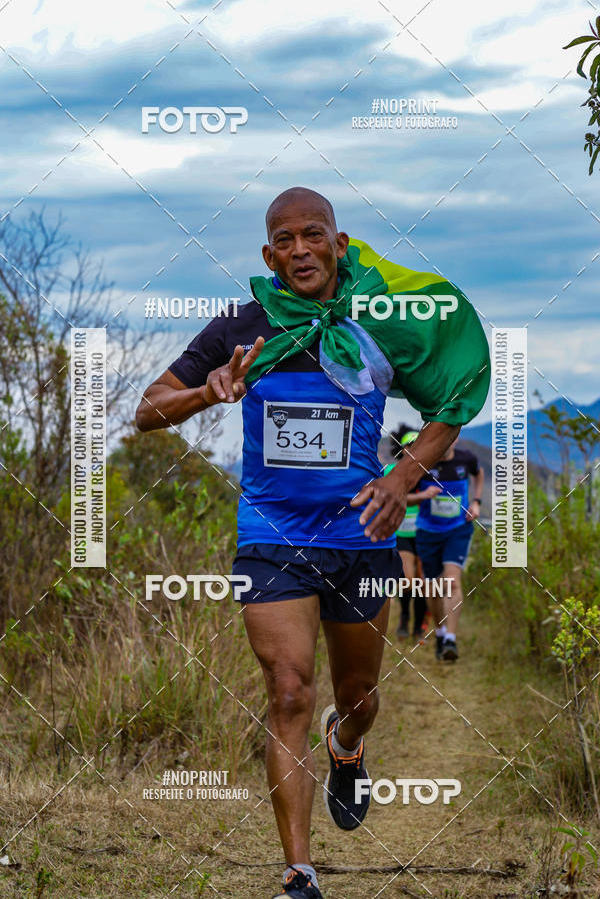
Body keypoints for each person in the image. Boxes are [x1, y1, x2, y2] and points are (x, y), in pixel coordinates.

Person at [135, 186, 490, 898]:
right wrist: (210, 392)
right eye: (285, 241)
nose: (301, 250)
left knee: (358, 695)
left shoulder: (380, 320)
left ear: (338, 241)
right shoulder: (244, 327)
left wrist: (402, 479)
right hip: (271, 535)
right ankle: (299, 872)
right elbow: (149, 410)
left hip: (361, 537)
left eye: (313, 235)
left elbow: (451, 401)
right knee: (289, 691)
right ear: (269, 255)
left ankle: (347, 745)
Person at [414, 439, 484, 662]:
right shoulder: (422, 462)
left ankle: (451, 640)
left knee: (452, 581)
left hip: (458, 529)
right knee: (433, 588)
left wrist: (476, 501)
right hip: (428, 532)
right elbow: (403, 497)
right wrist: (422, 496)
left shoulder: (466, 458)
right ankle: (441, 633)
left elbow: (479, 473)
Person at [384, 430, 440, 640]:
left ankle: (418, 629)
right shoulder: (390, 470)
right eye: (410, 445)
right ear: (402, 449)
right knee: (407, 580)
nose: (414, 449)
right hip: (401, 534)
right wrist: (422, 496)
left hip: (426, 534)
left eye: (419, 445)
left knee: (422, 582)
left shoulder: (431, 474)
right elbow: (392, 497)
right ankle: (404, 617)